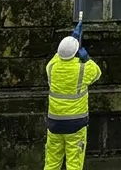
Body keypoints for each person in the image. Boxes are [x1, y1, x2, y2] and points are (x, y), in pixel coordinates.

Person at [44, 26, 101, 170]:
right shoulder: (82, 69)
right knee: (74, 163)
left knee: (52, 162)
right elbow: (97, 73)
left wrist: (72, 39)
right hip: (76, 123)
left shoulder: (51, 67)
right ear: (76, 53)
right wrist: (86, 58)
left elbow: (60, 55)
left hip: (55, 123)